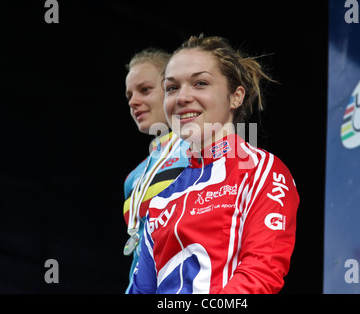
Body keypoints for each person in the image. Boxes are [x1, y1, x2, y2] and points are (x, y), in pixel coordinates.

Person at [128, 35, 300, 294]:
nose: (182, 97)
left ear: (236, 96)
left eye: (200, 83)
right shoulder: (160, 200)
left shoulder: (262, 171)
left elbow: (261, 275)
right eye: (172, 87)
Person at [122, 48, 189, 292]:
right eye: (129, 94)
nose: (132, 101)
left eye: (145, 90)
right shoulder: (134, 178)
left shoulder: (200, 147)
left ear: (173, 88)